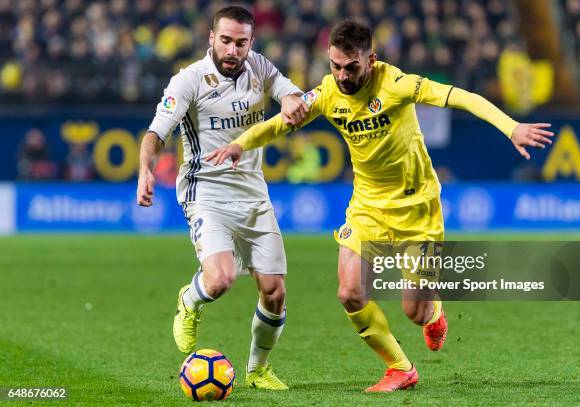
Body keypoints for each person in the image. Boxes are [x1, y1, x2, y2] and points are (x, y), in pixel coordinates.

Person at [206, 20, 554, 392]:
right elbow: (281, 123)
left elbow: (461, 97)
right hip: (367, 208)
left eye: (351, 67)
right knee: (349, 293)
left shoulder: (397, 84)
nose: (341, 75)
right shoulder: (327, 93)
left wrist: (511, 127)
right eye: (335, 66)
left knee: (414, 312)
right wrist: (241, 144)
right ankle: (400, 368)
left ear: (370, 60)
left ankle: (433, 311)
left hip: (417, 208)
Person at [136, 6, 309, 390]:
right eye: (226, 41)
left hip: (253, 195)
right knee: (220, 279)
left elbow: (287, 91)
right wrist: (146, 168)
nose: (233, 50)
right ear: (211, 38)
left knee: (275, 293)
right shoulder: (189, 81)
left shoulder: (259, 68)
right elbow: (155, 133)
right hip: (207, 193)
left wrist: (293, 99)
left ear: (251, 42)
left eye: (241, 42)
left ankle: (258, 370)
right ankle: (190, 301)